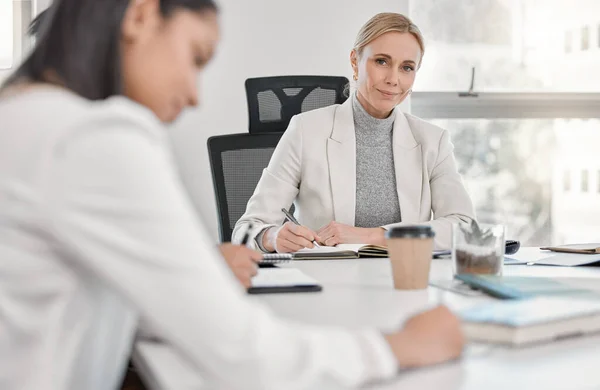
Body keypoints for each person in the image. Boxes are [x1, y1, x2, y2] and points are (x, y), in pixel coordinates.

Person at [0, 1, 464, 389]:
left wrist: (191, 272)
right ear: (141, 16)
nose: (195, 94)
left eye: (408, 67)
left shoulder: (24, 115)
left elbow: (72, 290)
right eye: (196, 57)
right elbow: (240, 351)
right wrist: (400, 347)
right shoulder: (95, 136)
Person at [233, 13, 476, 253]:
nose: (393, 79)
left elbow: (464, 227)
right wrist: (271, 236)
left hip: (405, 278)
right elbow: (246, 229)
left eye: (407, 67)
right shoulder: (306, 131)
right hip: (329, 282)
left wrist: (373, 236)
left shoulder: (433, 141)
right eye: (381, 61)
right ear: (354, 62)